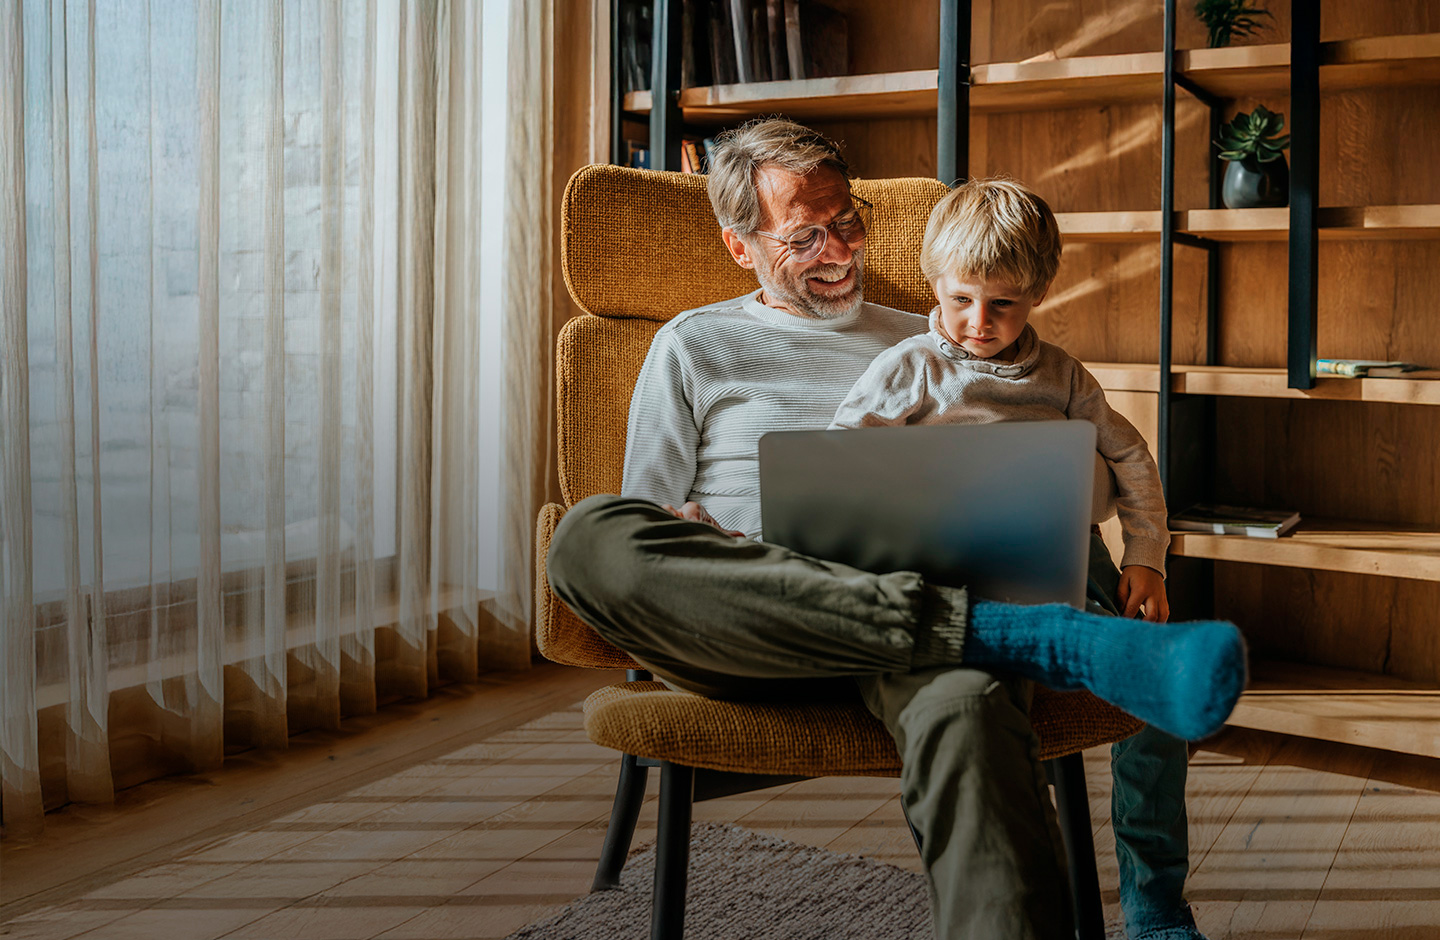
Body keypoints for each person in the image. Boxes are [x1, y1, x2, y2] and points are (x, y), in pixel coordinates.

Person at [546, 118, 1243, 940]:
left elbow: (1077, 474)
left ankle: (996, 634)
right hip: (751, 620)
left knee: (970, 709)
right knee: (587, 537)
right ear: (741, 248)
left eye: (847, 221)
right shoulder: (693, 345)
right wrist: (694, 531)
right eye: (805, 236)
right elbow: (647, 518)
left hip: (918, 630)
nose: (839, 250)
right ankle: (1032, 637)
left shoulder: (940, 336)